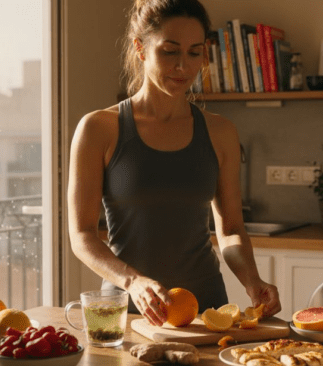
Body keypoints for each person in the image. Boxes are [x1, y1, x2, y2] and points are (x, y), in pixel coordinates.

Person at [67, 0, 281, 327]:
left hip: (205, 313)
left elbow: (232, 229)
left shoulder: (220, 132)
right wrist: (133, 281)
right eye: (169, 51)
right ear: (141, 49)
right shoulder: (98, 129)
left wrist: (252, 280)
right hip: (128, 312)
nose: (183, 66)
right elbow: (82, 234)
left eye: (194, 52)